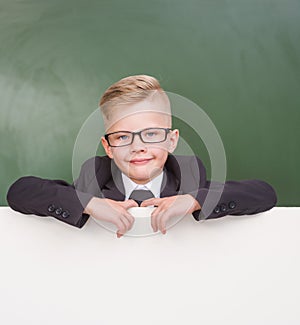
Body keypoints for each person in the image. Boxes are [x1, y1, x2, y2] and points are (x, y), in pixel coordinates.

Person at [6, 75, 277, 238]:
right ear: (108, 147)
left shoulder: (188, 174)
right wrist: (87, 202)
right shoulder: (95, 176)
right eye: (123, 137)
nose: (137, 147)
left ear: (172, 140)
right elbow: (20, 191)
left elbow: (264, 193)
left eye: (151, 134)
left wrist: (195, 199)